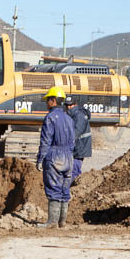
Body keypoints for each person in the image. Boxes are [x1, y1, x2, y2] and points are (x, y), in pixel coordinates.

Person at [36, 87, 76, 228]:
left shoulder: (50, 118)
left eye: (48, 100)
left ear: (53, 101)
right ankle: (62, 222)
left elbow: (46, 141)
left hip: (55, 155)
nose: (46, 103)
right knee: (65, 189)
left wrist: (40, 159)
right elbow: (73, 142)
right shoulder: (69, 119)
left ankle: (52, 222)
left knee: (53, 188)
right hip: (68, 157)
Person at [64, 95, 92, 188]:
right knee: (72, 168)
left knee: (75, 170)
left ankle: (72, 188)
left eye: (71, 105)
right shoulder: (73, 115)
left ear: (75, 104)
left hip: (80, 147)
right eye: (67, 105)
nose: (68, 107)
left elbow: (76, 132)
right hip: (77, 146)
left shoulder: (79, 116)